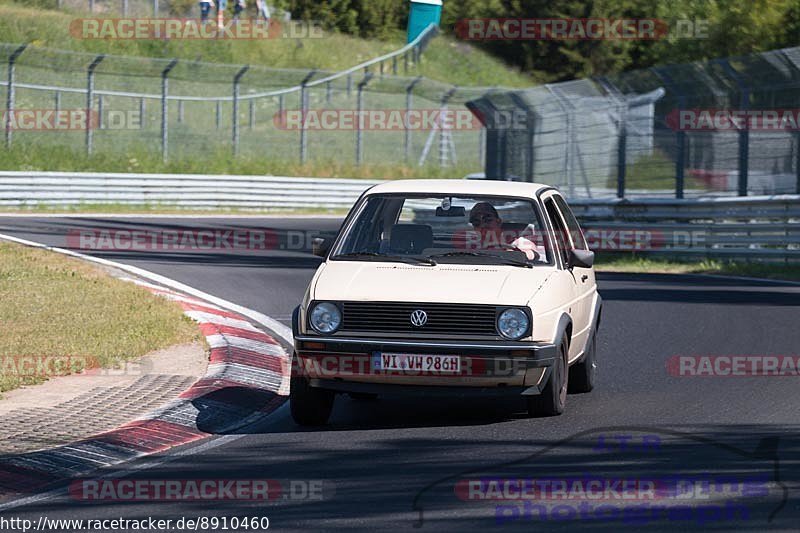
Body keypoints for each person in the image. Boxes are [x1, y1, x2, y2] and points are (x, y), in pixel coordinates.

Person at [468, 202, 541, 261]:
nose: (483, 225)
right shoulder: (471, 245)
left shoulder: (519, 243)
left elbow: (533, 254)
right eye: (476, 222)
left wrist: (516, 254)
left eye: (488, 220)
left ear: (498, 222)